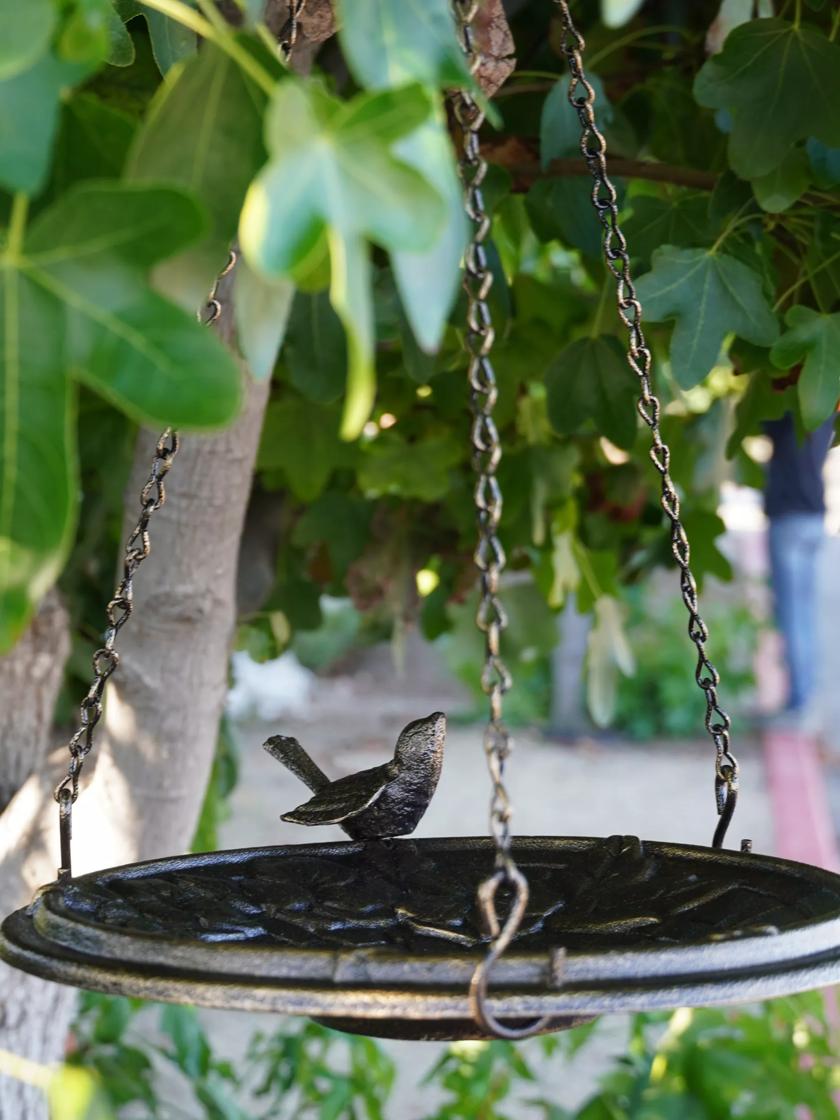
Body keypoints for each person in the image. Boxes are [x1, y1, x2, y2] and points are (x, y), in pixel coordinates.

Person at [764, 412, 835, 726]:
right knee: (804, 613)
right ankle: (805, 695)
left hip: (790, 518)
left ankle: (800, 701)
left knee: (793, 614)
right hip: (814, 516)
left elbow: (761, 422)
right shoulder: (824, 412)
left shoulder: (786, 411)